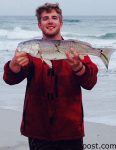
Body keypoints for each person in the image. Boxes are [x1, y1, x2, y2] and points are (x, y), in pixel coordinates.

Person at [3, 3, 98, 150]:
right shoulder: (31, 51)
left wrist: (79, 68)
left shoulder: (73, 49)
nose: (50, 21)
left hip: (70, 129)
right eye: (45, 18)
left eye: (54, 17)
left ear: (61, 22)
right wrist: (13, 66)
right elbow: (10, 79)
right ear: (39, 25)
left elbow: (90, 82)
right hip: (38, 129)